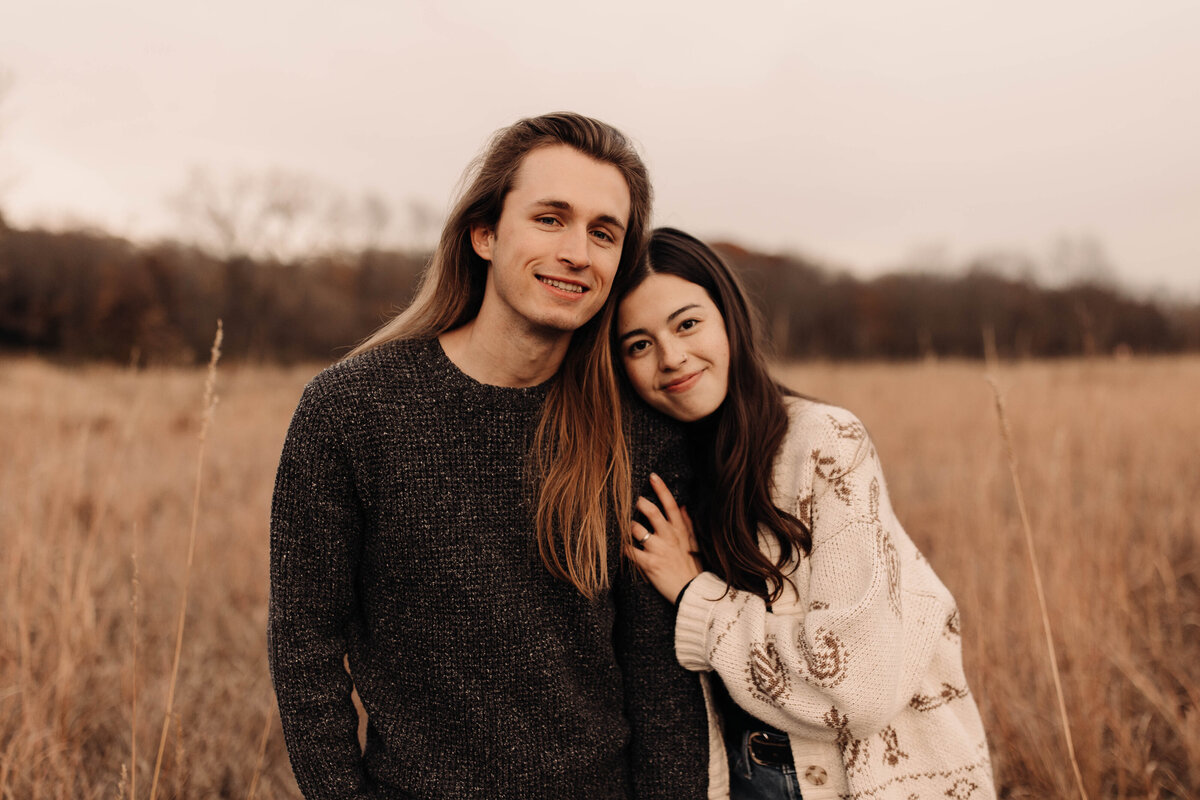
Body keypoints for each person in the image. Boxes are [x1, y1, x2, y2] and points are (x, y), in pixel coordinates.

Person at [269, 115, 709, 799]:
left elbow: (661, 687)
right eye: (550, 218)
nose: (576, 252)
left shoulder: (640, 434)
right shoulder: (352, 411)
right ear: (485, 233)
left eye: (603, 233)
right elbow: (305, 649)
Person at [614, 228, 996, 800]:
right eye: (639, 345)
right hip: (743, 777)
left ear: (728, 319)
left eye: (687, 323)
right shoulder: (669, 465)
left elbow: (858, 690)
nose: (672, 357)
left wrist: (694, 592)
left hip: (855, 781)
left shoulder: (823, 443)